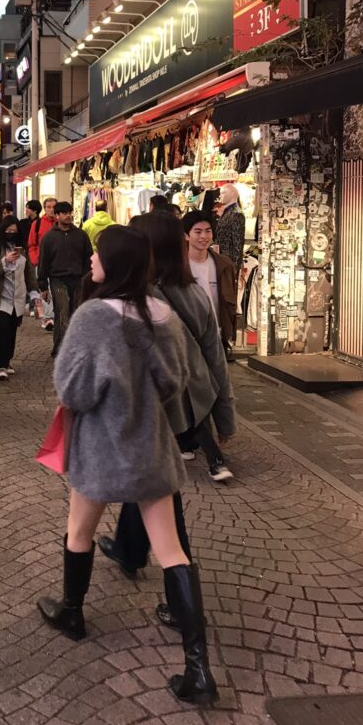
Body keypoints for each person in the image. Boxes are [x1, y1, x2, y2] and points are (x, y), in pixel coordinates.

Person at [36, 224, 218, 707]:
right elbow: (174, 383)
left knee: (79, 533)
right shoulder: (162, 313)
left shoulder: (94, 315)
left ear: (114, 262)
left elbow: (73, 390)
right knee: (172, 551)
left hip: (100, 446)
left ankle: (72, 612)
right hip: (151, 446)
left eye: (98, 253)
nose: (92, 259)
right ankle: (198, 668)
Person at [98, 213, 236, 624]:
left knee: (165, 505)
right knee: (151, 485)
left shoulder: (147, 300)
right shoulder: (192, 292)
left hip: (163, 411)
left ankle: (184, 615)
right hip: (193, 405)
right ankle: (128, 547)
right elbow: (217, 359)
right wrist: (224, 416)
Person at [0, 215, 40, 379]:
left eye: (14, 231)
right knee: (2, 330)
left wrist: (33, 291)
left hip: (18, 297)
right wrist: (4, 262)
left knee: (12, 329)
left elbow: (28, 273)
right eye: (8, 231)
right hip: (0, 296)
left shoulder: (22, 249)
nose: (11, 233)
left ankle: (7, 360)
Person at [38, 201, 93, 357]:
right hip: (57, 279)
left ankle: (75, 347)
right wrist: (42, 285)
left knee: (77, 313)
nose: (68, 216)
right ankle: (62, 348)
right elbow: (44, 261)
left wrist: (87, 278)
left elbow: (87, 258)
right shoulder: (49, 237)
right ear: (57, 216)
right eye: (64, 213)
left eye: (70, 212)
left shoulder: (81, 235)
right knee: (62, 312)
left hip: (78, 279)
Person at [183, 212, 237, 354]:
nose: (204, 236)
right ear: (186, 236)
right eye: (198, 232)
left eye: (208, 231)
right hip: (188, 338)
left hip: (218, 336)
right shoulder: (179, 267)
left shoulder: (224, 265)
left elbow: (230, 301)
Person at [28, 197, 57, 331]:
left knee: (55, 288)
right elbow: (32, 244)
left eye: (53, 207)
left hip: (58, 263)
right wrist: (35, 260)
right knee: (44, 289)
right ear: (44, 209)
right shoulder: (38, 224)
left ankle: (52, 316)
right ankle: (47, 318)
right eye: (48, 207)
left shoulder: (60, 223)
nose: (51, 209)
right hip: (41, 262)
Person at [214, 184, 245, 277]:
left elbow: (238, 243)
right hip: (222, 261)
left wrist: (235, 268)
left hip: (229, 263)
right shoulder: (227, 212)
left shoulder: (237, 214)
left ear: (232, 194)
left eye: (223, 193)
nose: (220, 196)